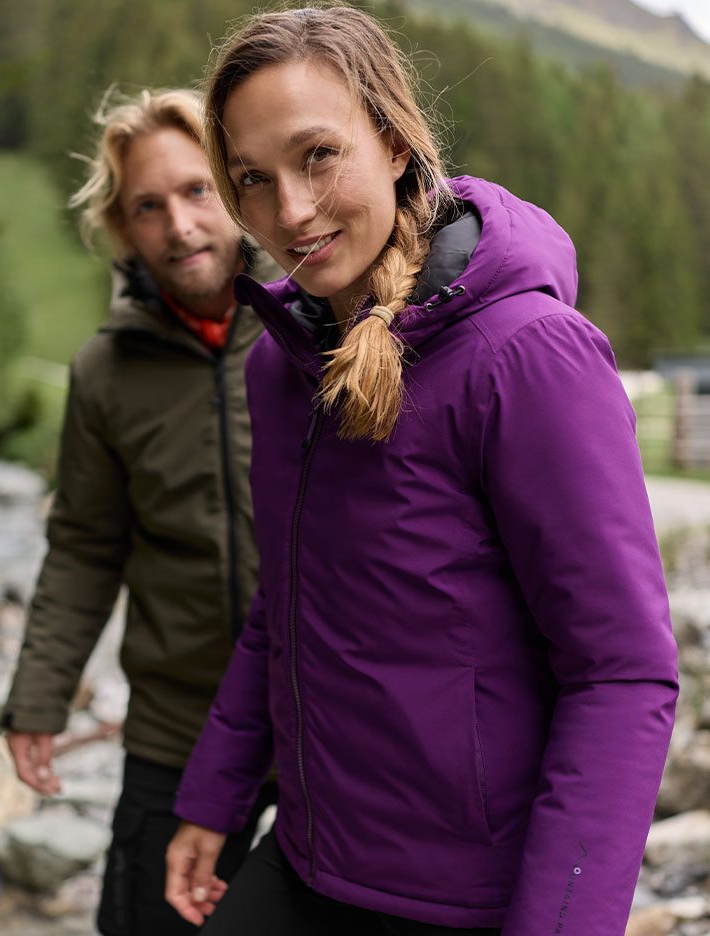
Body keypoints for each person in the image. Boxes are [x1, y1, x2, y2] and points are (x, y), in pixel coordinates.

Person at [164, 7, 678, 935]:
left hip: (467, 899)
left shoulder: (527, 357)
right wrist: (215, 798)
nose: (291, 212)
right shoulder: (280, 364)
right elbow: (285, 606)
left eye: (318, 155)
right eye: (253, 179)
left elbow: (622, 673)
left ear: (395, 143)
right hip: (309, 855)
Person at [0, 87, 278, 936]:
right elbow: (86, 545)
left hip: (330, 722)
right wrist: (39, 695)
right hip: (177, 730)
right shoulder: (104, 371)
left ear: (237, 189)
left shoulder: (317, 328)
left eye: (197, 191)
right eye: (148, 206)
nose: (180, 226)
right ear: (122, 228)